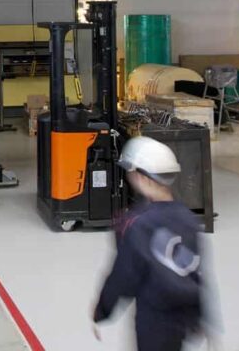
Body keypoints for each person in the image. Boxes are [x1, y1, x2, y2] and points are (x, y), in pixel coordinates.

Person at [92, 137, 215, 351]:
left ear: (143, 178)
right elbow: (197, 274)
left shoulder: (136, 224)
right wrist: (201, 318)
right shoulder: (188, 219)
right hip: (182, 320)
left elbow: (123, 277)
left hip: (153, 321)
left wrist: (102, 311)